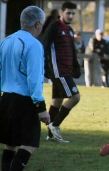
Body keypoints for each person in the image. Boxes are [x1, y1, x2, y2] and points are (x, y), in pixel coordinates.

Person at [0, 6, 50, 171]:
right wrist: (41, 108)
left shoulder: (5, 41)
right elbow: (35, 79)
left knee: (10, 144)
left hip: (6, 98)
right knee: (29, 144)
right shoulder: (34, 45)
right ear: (38, 23)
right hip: (25, 100)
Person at [42, 1, 81, 143]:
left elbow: (72, 50)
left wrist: (76, 67)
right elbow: (44, 47)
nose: (70, 16)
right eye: (68, 13)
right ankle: (55, 124)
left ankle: (51, 136)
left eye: (73, 13)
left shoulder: (69, 30)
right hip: (59, 71)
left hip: (67, 70)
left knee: (57, 102)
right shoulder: (54, 27)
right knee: (75, 97)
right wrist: (45, 68)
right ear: (61, 13)